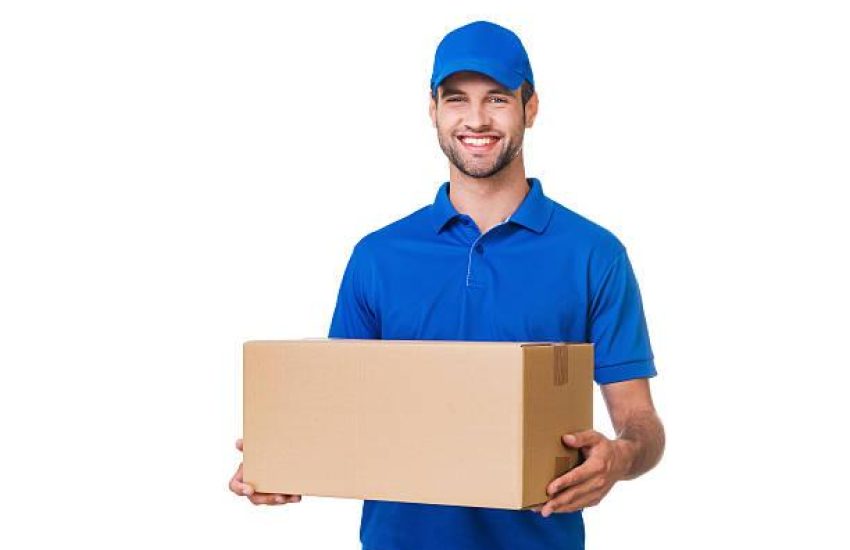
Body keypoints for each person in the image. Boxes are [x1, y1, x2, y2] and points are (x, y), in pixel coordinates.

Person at [229, 19, 665, 550]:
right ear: (433, 110)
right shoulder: (378, 257)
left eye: (498, 99)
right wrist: (281, 459)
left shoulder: (593, 254)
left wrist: (619, 457)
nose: (476, 119)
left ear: (530, 107)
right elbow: (341, 410)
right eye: (457, 99)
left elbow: (641, 422)